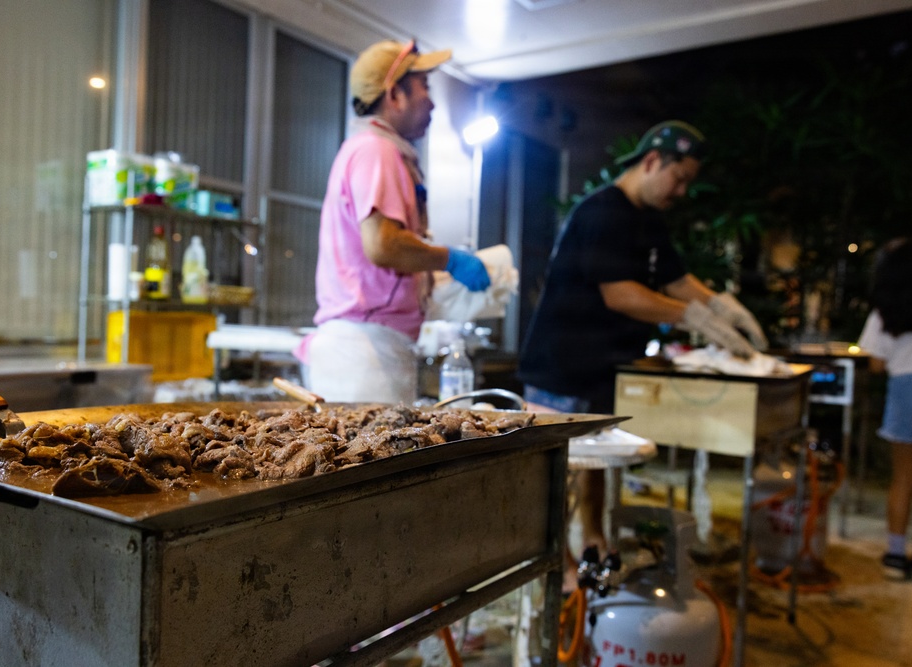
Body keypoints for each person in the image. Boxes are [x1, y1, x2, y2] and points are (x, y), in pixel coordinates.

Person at [518, 120, 768, 556]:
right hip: (561, 367)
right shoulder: (602, 212)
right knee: (559, 471)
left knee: (594, 463)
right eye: (680, 178)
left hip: (601, 367)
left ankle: (593, 542)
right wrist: (696, 319)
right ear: (652, 161)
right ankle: (556, 567)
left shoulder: (648, 220)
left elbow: (675, 279)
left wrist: (722, 307)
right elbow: (620, 294)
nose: (682, 191)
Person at [295, 39, 490, 403]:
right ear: (394, 95)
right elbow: (383, 244)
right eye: (424, 88)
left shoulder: (374, 149)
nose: (431, 101)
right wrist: (449, 258)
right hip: (364, 352)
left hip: (368, 348)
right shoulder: (377, 150)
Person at [857, 237, 912, 585]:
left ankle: (896, 554)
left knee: (903, 477)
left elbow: (875, 363)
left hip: (905, 386)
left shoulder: (885, 310)